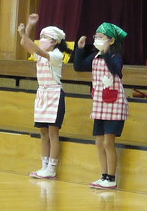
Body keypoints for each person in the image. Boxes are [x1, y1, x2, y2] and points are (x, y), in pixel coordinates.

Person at [73, 21, 129, 191]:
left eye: (101, 37)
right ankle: (103, 175)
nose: (96, 39)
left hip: (114, 105)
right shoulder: (95, 57)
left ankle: (111, 177)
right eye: (95, 37)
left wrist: (105, 53)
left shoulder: (115, 57)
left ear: (111, 41)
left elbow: (115, 70)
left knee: (108, 142)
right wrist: (80, 50)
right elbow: (79, 67)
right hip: (99, 104)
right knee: (99, 141)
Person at [18, 15, 68, 179]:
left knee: (53, 134)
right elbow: (25, 44)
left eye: (45, 38)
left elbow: (35, 48)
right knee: (43, 133)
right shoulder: (40, 55)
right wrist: (28, 28)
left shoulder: (56, 55)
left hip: (54, 95)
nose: (41, 41)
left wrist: (26, 32)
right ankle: (44, 166)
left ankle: (52, 168)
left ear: (54, 41)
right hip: (42, 94)